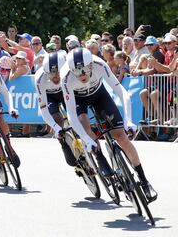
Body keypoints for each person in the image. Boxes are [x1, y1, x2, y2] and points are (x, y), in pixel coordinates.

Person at [61, 47, 157, 202]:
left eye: (85, 70)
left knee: (122, 138)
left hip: (99, 95)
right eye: (77, 72)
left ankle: (144, 182)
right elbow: (72, 115)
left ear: (91, 65)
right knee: (84, 124)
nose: (82, 75)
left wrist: (128, 120)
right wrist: (87, 139)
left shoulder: (100, 65)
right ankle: (99, 156)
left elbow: (122, 93)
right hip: (79, 101)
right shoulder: (66, 78)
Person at [34, 52, 76, 167]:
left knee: (75, 116)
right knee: (57, 117)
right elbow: (43, 109)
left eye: (58, 73)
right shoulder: (39, 78)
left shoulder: (69, 71)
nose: (55, 77)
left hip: (64, 91)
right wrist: (56, 128)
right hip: (49, 96)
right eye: (51, 74)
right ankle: (63, 141)